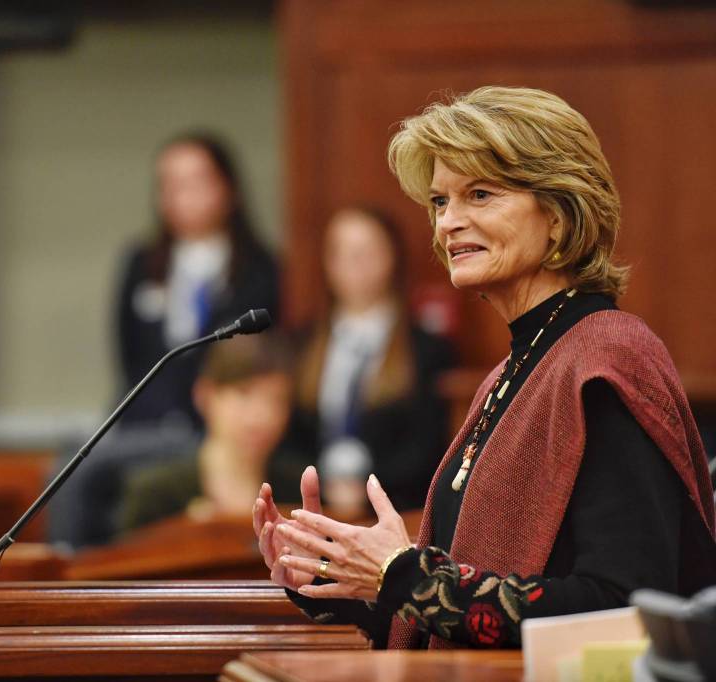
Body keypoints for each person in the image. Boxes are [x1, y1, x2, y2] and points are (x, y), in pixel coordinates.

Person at [253, 86, 716, 649]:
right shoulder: (510, 373)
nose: (449, 222)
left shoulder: (607, 360)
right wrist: (338, 575)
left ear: (559, 213)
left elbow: (622, 605)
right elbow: (459, 613)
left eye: (479, 194)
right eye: (440, 202)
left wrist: (404, 576)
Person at [288, 206, 453, 515]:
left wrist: (364, 490)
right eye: (342, 253)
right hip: (315, 507)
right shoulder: (302, 343)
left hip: (396, 510)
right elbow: (288, 439)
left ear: (392, 257)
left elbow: (428, 447)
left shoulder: (426, 349)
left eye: (366, 252)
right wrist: (323, 486)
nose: (355, 264)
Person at [114, 131, 280, 427]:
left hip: (220, 427)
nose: (184, 194)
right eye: (171, 184)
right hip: (143, 425)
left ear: (229, 188)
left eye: (196, 182)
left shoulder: (260, 270)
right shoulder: (140, 264)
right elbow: (128, 355)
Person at [121, 334, 301, 531]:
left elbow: (325, 562)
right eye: (244, 393)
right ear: (204, 395)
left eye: (276, 400)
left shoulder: (299, 489)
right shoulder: (156, 494)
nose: (261, 416)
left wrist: (321, 563)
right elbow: (125, 560)